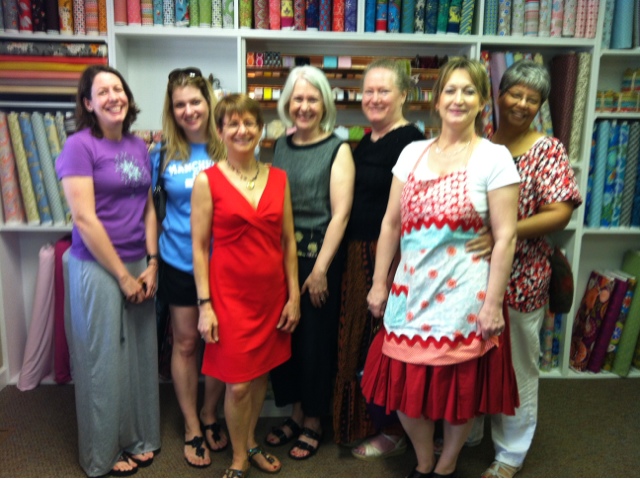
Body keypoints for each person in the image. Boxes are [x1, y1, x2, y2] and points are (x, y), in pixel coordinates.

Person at [362, 57, 521, 478]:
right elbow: (391, 223)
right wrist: (379, 283)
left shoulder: (494, 158)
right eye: (450, 90)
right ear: (436, 100)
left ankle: (446, 464)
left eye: (469, 91)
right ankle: (423, 459)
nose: (458, 99)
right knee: (403, 387)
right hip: (410, 292)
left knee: (458, 392)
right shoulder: (412, 154)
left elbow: (506, 236)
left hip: (465, 296)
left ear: (482, 101)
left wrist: (493, 304)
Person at [464, 59, 582, 479]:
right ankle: (468, 432)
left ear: (540, 106)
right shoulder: (481, 141)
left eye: (533, 99)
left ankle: (510, 452)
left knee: (517, 367)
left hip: (522, 276)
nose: (522, 104)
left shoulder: (546, 150)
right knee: (471, 359)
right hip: (473, 274)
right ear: (498, 95)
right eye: (515, 93)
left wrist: (505, 231)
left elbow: (560, 213)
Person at [56, 65, 160, 477]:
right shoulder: (79, 147)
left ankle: (137, 437)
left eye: (118, 89)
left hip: (138, 262)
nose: (114, 97)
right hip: (99, 265)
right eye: (103, 92)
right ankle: (101, 453)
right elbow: (84, 219)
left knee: (138, 358)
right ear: (88, 103)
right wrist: (122, 276)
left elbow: (148, 207)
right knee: (101, 361)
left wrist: (152, 263)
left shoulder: (137, 145)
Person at [191, 93, 300, 478]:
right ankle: (239, 457)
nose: (242, 130)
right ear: (220, 131)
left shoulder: (278, 178)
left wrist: (294, 296)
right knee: (237, 385)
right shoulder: (207, 181)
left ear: (260, 129)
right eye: (233, 123)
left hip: (271, 296)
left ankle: (250, 442)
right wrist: (205, 305)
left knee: (259, 376)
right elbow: (199, 248)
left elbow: (288, 241)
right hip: (229, 298)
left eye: (249, 122)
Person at [332, 58, 425, 459]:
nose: (374, 98)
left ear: (403, 94)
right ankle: (362, 423)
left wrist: (385, 277)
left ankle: (390, 429)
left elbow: (406, 216)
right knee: (356, 343)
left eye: (383, 90)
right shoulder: (366, 140)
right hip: (357, 253)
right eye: (368, 91)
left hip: (384, 256)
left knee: (380, 345)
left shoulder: (412, 143)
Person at [265, 65, 356, 460]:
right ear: (287, 103)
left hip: (319, 258)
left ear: (325, 104)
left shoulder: (338, 149)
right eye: (297, 99)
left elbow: (341, 214)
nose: (304, 106)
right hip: (282, 256)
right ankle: (296, 414)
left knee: (315, 343)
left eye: (312, 99)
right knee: (287, 336)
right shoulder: (280, 146)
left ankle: (314, 421)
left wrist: (319, 270)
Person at [151, 67, 228, 469]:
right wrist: (151, 259)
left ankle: (211, 413)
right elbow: (151, 209)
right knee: (185, 344)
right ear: (172, 109)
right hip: (179, 261)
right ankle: (191, 424)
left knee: (219, 343)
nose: (188, 110)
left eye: (195, 101)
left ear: (208, 103)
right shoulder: (162, 153)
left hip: (224, 263)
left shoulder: (228, 146)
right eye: (180, 104)